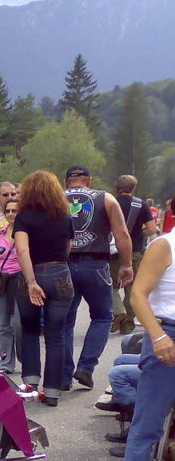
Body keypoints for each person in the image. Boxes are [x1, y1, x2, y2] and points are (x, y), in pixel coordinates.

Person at [118, 226, 175, 461]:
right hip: (167, 336)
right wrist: (158, 337)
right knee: (149, 422)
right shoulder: (165, 246)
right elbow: (138, 296)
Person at [62, 165, 134, 390]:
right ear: (89, 181)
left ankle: (63, 374)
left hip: (62, 265)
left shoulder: (54, 199)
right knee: (103, 317)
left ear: (66, 182)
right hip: (96, 264)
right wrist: (126, 265)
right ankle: (85, 368)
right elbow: (122, 233)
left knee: (64, 320)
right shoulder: (106, 199)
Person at [13, 170, 75, 406]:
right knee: (56, 335)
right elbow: (68, 247)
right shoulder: (64, 216)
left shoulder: (24, 217)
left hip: (32, 273)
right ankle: (52, 391)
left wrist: (31, 282)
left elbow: (22, 251)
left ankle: (30, 383)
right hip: (60, 274)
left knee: (29, 330)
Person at [111, 174, 156, 335]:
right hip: (134, 251)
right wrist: (139, 234)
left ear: (117, 187)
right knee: (132, 287)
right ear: (133, 188)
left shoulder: (109, 201)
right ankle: (128, 323)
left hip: (111, 250)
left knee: (110, 285)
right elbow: (151, 229)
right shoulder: (141, 205)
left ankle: (117, 310)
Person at [0, 198, 22, 372]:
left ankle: (24, 355)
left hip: (20, 279)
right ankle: (6, 362)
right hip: (1, 281)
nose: (10, 214)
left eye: (14, 211)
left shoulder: (26, 234)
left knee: (18, 323)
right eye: (8, 211)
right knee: (3, 324)